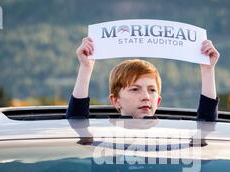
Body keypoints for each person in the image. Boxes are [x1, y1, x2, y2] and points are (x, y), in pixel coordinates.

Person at [66, 36, 220, 120]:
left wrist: (207, 71)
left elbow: (205, 128)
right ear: (115, 101)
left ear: (158, 101)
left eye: (152, 90)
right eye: (135, 89)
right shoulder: (104, 135)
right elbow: (76, 123)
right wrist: (86, 68)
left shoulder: (173, 134)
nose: (146, 97)